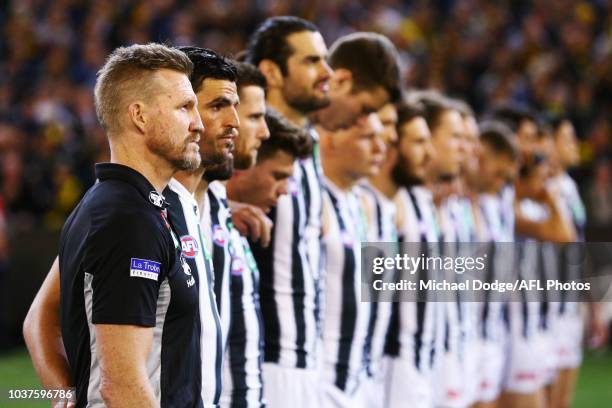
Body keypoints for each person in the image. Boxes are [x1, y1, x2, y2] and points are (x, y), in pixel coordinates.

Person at [30, 43, 205, 407]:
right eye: (185, 107)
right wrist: (69, 395)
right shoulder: (127, 220)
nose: (198, 123)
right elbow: (121, 387)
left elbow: (38, 320)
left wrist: (67, 394)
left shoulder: (123, 205)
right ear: (139, 116)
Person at [246, 17, 401, 407]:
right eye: (313, 62)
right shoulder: (250, 145)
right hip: (268, 363)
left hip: (308, 365)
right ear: (272, 73)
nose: (327, 73)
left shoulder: (307, 147)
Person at [318, 112, 385, 407]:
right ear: (330, 138)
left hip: (362, 378)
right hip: (324, 382)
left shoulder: (363, 204)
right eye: (367, 137)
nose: (379, 148)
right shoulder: (315, 199)